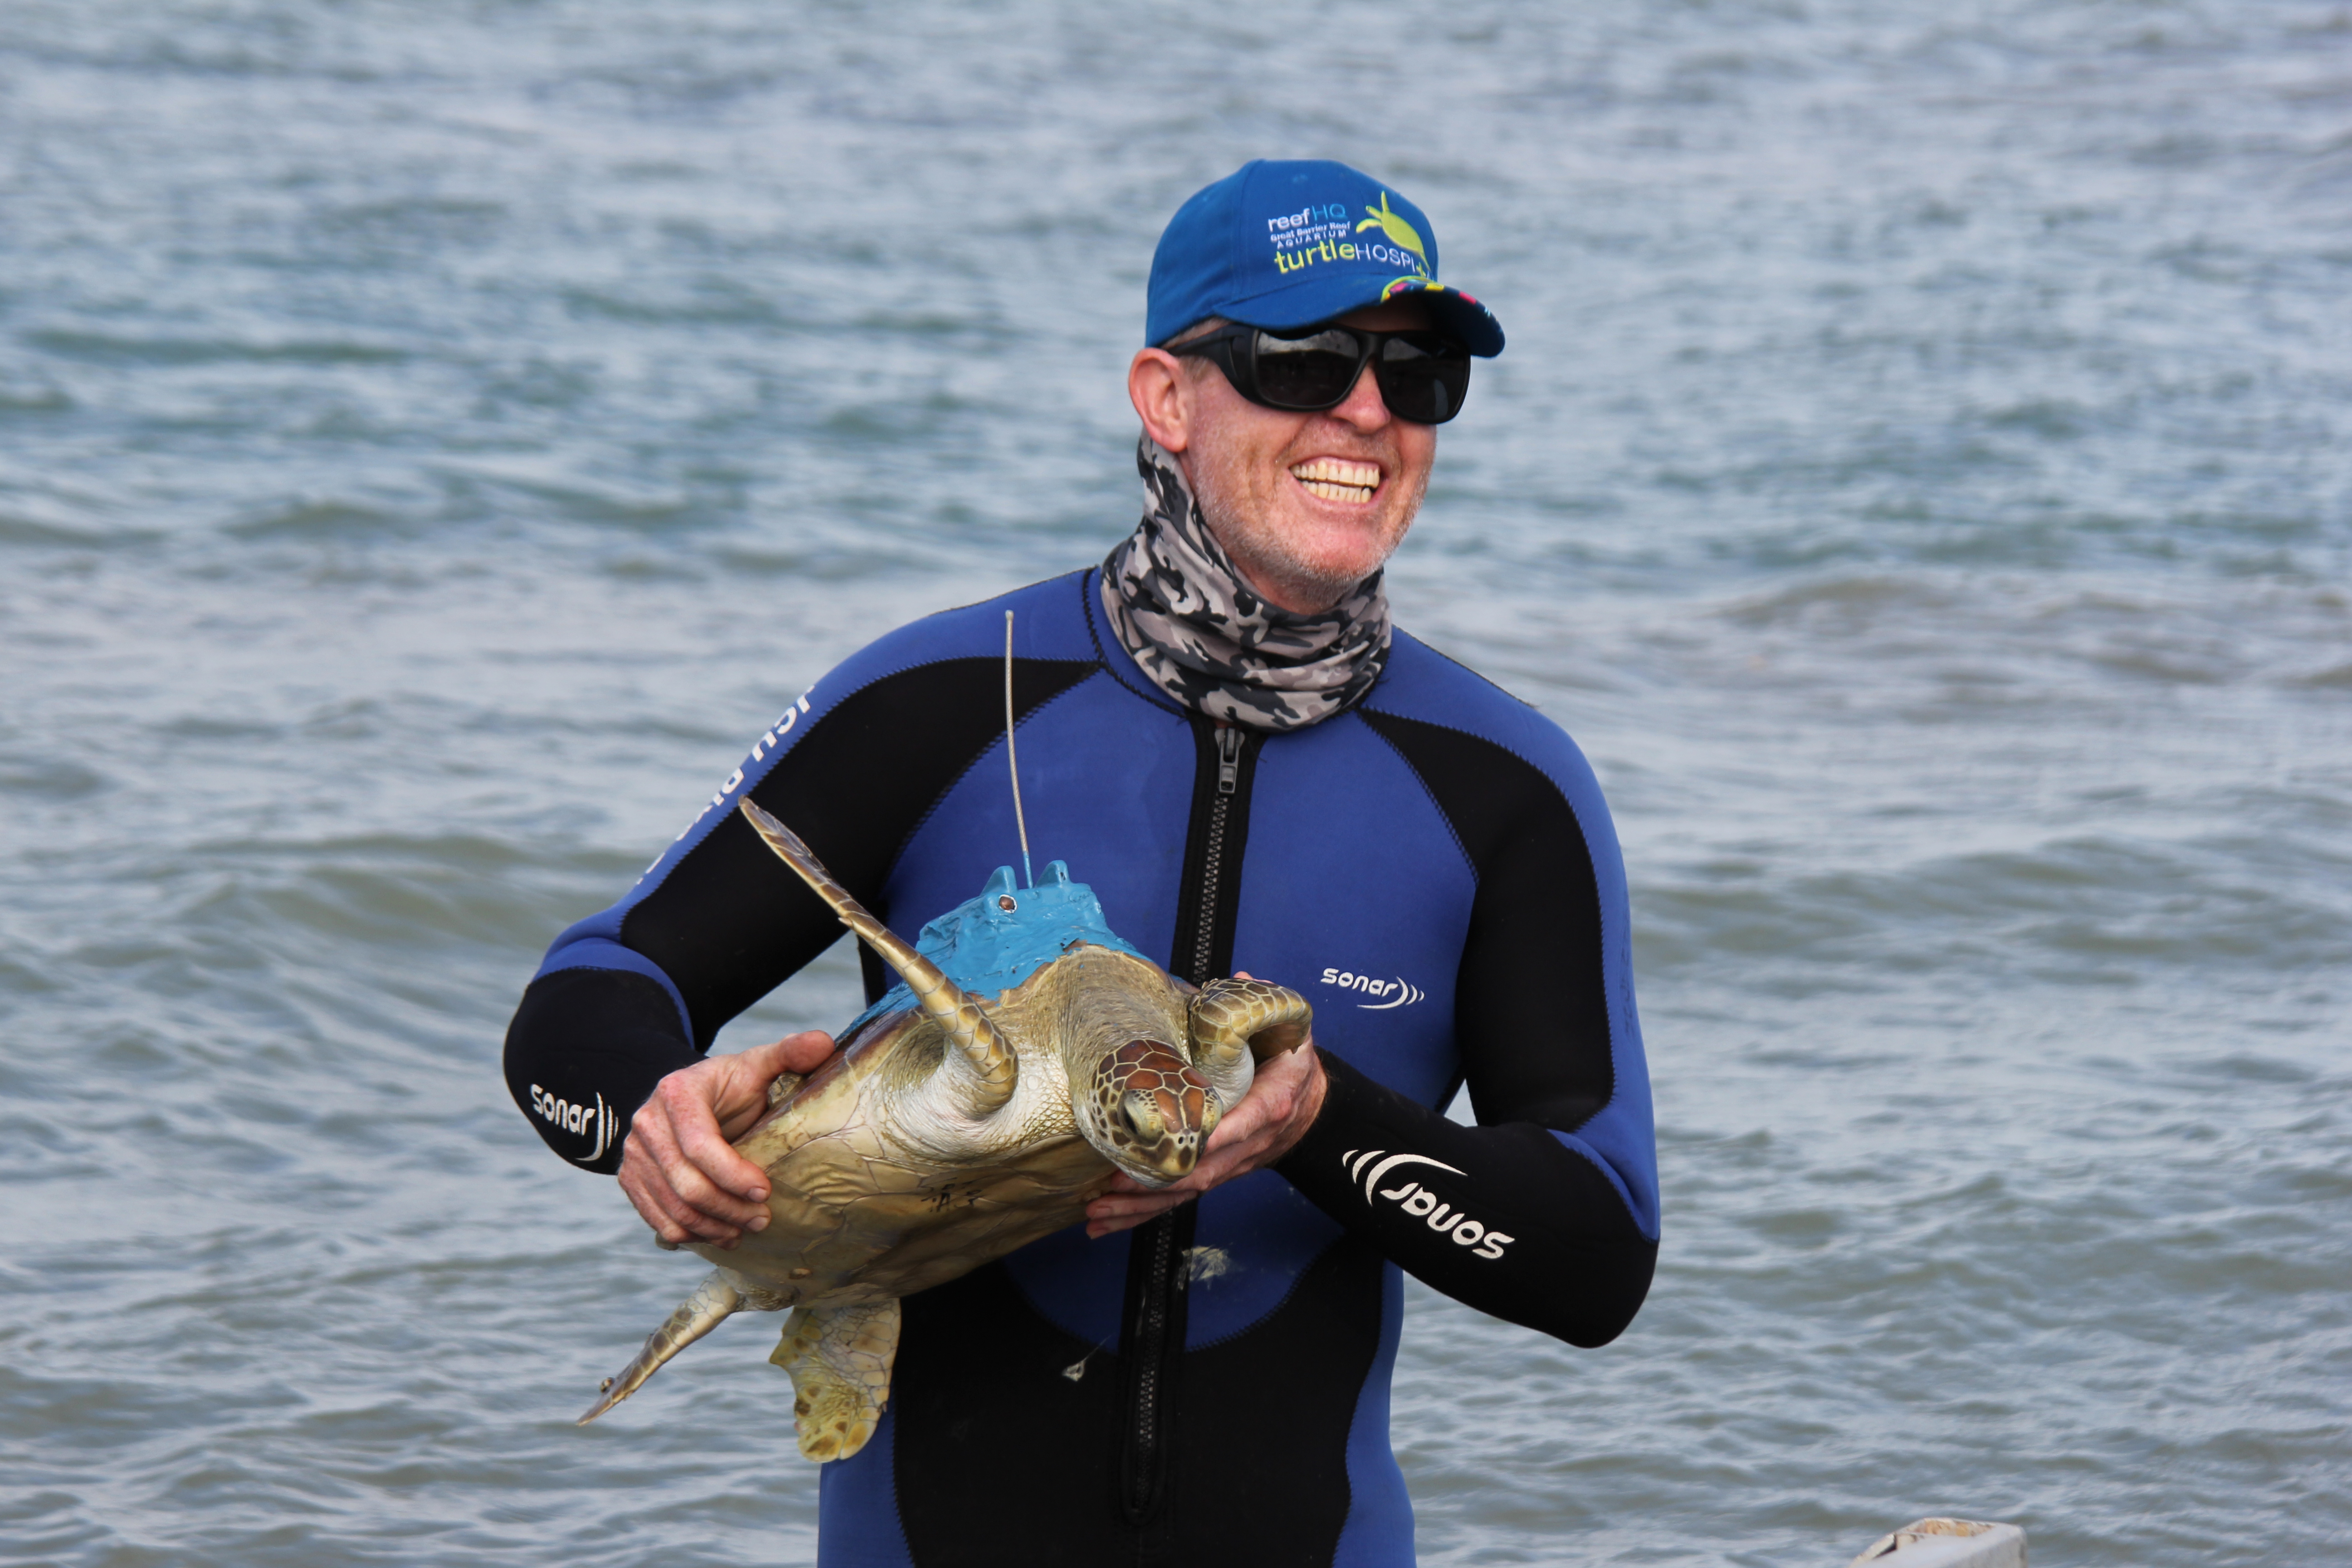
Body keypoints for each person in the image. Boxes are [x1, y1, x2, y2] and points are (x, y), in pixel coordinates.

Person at [505, 158, 1658, 1568]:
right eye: (1303, 360)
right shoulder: (940, 698)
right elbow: (585, 997)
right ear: (1166, 399)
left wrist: (1314, 1124)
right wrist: (651, 1113)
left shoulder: (1503, 786)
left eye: (1416, 377)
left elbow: (1597, 1260)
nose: (1367, 409)